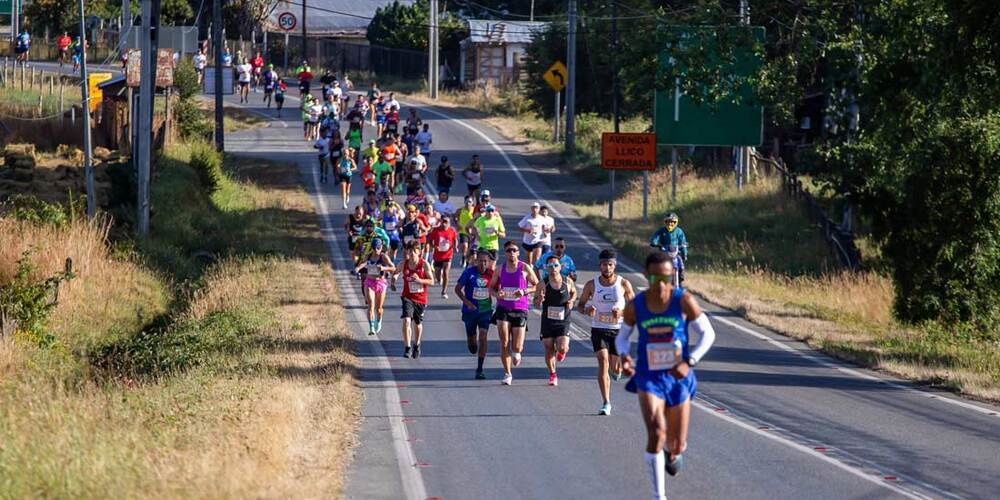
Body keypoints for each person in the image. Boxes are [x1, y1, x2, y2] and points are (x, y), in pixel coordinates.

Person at [618, 252, 716, 498]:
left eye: (666, 277)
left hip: (678, 377)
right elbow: (622, 338)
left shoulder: (683, 300)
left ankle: (672, 452)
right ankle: (658, 496)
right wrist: (624, 356)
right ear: (646, 275)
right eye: (655, 277)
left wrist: (690, 361)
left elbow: (708, 334)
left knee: (675, 445)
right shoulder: (636, 305)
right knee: (656, 430)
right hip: (649, 376)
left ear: (672, 275)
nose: (661, 283)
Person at [578, 249, 636, 415]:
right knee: (603, 362)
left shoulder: (624, 284)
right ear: (600, 265)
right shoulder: (591, 284)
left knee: (615, 368)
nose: (607, 268)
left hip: (618, 330)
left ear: (614, 265)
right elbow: (580, 305)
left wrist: (623, 313)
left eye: (610, 265)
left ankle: (616, 370)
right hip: (598, 329)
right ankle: (606, 402)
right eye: (604, 264)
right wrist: (587, 309)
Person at [488, 240, 538, 385]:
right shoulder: (499, 269)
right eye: (509, 250)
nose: (511, 253)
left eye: (514, 250)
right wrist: (498, 295)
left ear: (518, 252)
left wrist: (524, 291)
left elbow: (537, 285)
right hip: (503, 308)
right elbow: (491, 288)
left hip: (520, 309)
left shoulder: (525, 268)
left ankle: (517, 353)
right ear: (505, 253)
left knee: (517, 347)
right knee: (504, 342)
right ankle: (507, 373)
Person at [533, 255, 576, 387]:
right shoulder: (542, 283)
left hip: (563, 319)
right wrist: (539, 299)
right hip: (548, 320)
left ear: (560, 267)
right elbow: (535, 303)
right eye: (550, 266)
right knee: (548, 347)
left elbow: (574, 292)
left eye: (556, 265)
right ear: (546, 268)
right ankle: (553, 374)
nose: (553, 268)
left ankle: (561, 353)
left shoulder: (567, 281)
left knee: (562, 347)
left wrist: (571, 301)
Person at [455, 250, 496, 379]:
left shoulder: (492, 274)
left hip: (485, 311)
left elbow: (498, 289)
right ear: (476, 261)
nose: (483, 264)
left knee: (483, 337)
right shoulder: (469, 272)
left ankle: (479, 368)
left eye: (486, 261)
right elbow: (457, 289)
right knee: (472, 344)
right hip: (470, 312)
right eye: (481, 261)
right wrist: (467, 303)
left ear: (489, 263)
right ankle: (471, 342)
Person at [397, 241, 434, 358]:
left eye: (414, 250)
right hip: (407, 297)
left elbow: (431, 281)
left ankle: (417, 345)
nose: (412, 253)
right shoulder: (404, 264)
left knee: (417, 324)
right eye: (410, 250)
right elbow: (396, 272)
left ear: (419, 252)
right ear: (407, 252)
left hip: (420, 299)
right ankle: (407, 347)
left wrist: (420, 281)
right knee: (407, 321)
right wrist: (393, 280)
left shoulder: (424, 265)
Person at [355, 238, 395, 335]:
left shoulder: (384, 257)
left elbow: (393, 268)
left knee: (379, 308)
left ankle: (379, 320)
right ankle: (371, 327)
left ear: (381, 247)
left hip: (380, 283)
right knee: (371, 306)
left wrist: (384, 268)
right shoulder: (368, 256)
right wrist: (358, 268)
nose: (376, 250)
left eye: (378, 248)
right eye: (374, 248)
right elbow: (364, 263)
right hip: (369, 282)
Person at [649, 212, 689, 284]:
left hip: (675, 252)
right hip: (664, 252)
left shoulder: (679, 232)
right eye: (668, 222)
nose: (670, 224)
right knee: (658, 263)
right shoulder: (661, 231)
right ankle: (656, 276)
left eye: (672, 222)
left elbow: (683, 242)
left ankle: (681, 274)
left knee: (680, 261)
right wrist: (654, 243)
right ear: (665, 222)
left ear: (676, 222)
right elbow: (655, 238)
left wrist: (684, 253)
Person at [428, 217, 458, 299]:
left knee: (445, 272)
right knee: (437, 273)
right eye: (443, 222)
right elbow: (430, 240)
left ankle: (444, 291)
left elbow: (455, 239)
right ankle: (439, 278)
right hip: (438, 255)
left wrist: (455, 247)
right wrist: (434, 246)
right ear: (440, 222)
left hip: (448, 254)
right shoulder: (436, 230)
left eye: (446, 222)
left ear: (449, 223)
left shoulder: (452, 230)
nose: (445, 224)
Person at [518, 202, 548, 266]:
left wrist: (545, 232)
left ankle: (535, 272)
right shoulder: (527, 218)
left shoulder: (542, 218)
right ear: (531, 209)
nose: (535, 209)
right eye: (533, 208)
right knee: (529, 261)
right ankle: (530, 272)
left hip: (538, 240)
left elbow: (544, 227)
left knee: (536, 259)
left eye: (536, 208)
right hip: (528, 241)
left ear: (539, 209)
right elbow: (519, 228)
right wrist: (527, 230)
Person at [456, 196, 477, 267]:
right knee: (465, 246)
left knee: (470, 249)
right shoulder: (460, 210)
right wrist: (457, 223)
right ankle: (463, 258)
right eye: (467, 201)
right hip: (463, 231)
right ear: (464, 202)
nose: (468, 203)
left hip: (472, 233)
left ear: (472, 203)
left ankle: (468, 261)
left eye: (470, 201)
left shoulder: (475, 211)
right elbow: (455, 217)